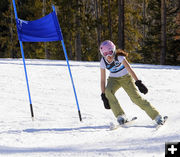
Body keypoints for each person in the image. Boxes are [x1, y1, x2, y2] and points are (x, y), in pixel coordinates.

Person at [100, 40, 164, 125]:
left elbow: (129, 69)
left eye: (110, 52)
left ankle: (157, 116)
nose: (108, 56)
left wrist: (138, 82)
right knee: (108, 92)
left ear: (114, 50)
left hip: (126, 78)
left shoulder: (119, 58)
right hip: (113, 79)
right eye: (105, 54)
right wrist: (104, 95)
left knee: (135, 98)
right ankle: (120, 116)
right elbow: (102, 80)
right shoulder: (103, 62)